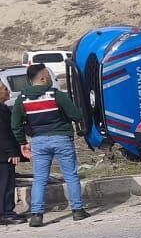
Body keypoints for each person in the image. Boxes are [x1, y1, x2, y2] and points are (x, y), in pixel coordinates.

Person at [11, 63, 88, 227]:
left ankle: (37, 215)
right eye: (48, 75)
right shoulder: (56, 95)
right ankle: (78, 211)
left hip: (38, 141)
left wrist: (22, 142)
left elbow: (15, 124)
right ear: (43, 77)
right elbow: (75, 115)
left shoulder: (22, 99)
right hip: (61, 139)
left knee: (40, 179)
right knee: (71, 175)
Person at [0, 83, 24, 224]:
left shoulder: (4, 108)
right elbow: (2, 134)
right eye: (5, 89)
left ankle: (7, 211)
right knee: (5, 184)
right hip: (3, 155)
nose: (8, 91)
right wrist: (12, 152)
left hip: (4, 153)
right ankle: (5, 213)